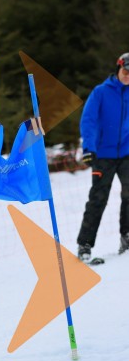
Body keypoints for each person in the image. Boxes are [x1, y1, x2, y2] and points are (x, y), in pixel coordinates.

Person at [77, 52, 129, 262]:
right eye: (126, 71)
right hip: (103, 155)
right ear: (118, 69)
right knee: (98, 199)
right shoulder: (101, 92)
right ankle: (85, 245)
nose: (128, 76)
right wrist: (88, 148)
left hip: (126, 153)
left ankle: (127, 237)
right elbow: (88, 120)